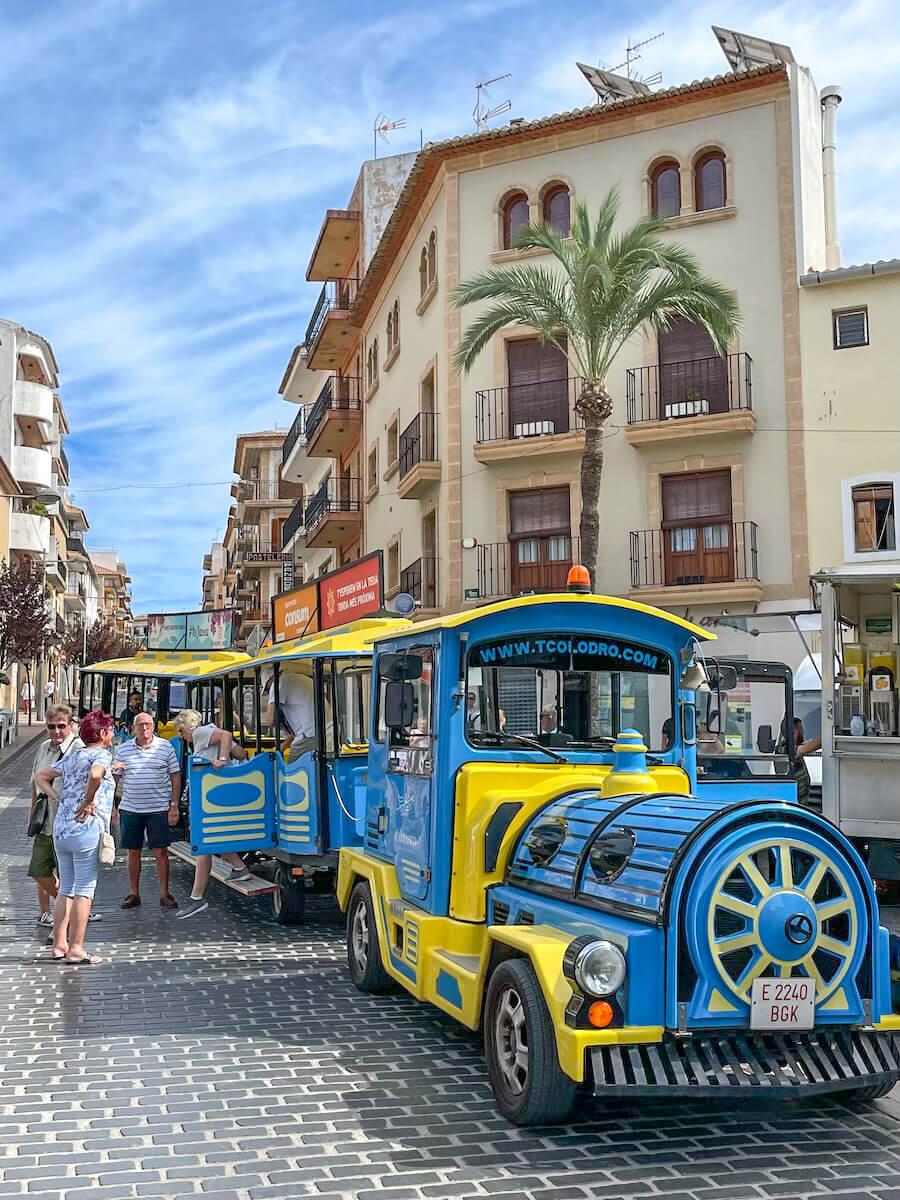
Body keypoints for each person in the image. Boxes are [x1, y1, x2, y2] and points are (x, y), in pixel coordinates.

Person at [34, 709, 116, 965]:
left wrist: (57, 798)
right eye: (110, 730)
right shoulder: (101, 754)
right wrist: (89, 800)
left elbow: (41, 776)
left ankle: (59, 945)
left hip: (62, 829)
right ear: (102, 733)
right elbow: (95, 775)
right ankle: (77, 948)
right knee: (84, 889)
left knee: (66, 889)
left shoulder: (74, 755)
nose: (112, 734)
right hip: (85, 828)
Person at [171, 709, 251, 920]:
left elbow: (226, 735)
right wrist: (225, 752)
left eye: (180, 731)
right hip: (217, 794)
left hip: (210, 794)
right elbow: (241, 754)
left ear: (187, 726)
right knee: (213, 838)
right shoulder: (209, 735)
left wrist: (222, 759)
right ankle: (239, 867)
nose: (181, 736)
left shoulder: (200, 732)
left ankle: (197, 898)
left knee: (204, 843)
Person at [113, 712, 180, 910]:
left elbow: (175, 776)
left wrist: (174, 805)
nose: (144, 728)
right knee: (133, 852)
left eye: (148, 724)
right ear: (133, 728)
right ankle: (134, 893)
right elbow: (114, 778)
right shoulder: (123, 749)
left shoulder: (165, 746)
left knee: (161, 851)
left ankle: (164, 894)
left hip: (158, 809)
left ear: (153, 727)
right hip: (130, 808)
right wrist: (110, 806)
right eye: (140, 725)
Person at [28, 705, 84, 927]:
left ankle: (72, 910)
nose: (56, 731)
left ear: (70, 725)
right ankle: (59, 910)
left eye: (61, 726)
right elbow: (35, 783)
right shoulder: (43, 747)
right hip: (44, 820)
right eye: (51, 727)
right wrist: (32, 815)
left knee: (66, 873)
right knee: (39, 869)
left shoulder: (78, 748)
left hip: (67, 823)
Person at [263, 667, 315, 758]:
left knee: (292, 765)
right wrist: (283, 745)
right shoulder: (303, 679)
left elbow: (271, 720)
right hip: (327, 733)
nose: (269, 691)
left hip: (308, 736)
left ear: (269, 680)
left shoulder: (278, 683)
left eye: (267, 688)